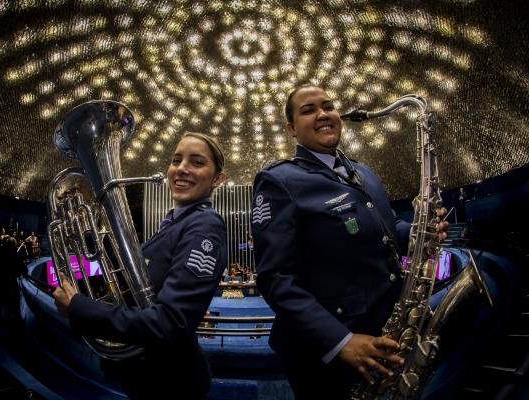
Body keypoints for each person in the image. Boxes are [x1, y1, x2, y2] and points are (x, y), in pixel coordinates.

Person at [250, 85, 449, 399]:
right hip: (328, 351)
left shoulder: (364, 172)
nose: (323, 114)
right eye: (308, 110)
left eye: (328, 106)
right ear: (291, 128)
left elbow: (389, 227)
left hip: (385, 333)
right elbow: (275, 279)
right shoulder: (280, 180)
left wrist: (418, 232)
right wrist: (339, 341)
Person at [53, 131, 228, 400]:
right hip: (148, 375)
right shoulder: (173, 223)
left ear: (218, 179)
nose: (181, 169)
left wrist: (79, 306)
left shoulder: (205, 226)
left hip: (171, 382)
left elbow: (169, 324)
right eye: (176, 160)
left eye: (197, 162)